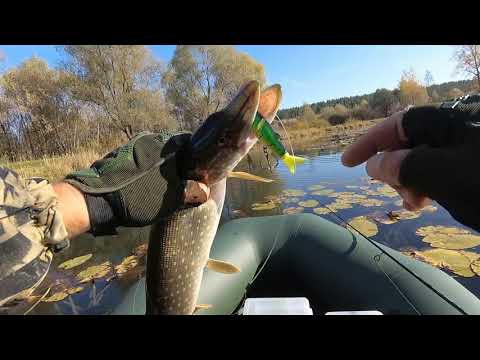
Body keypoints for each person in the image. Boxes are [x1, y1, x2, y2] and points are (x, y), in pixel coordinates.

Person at [0, 93, 479, 308]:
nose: (245, 132)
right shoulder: (198, 183)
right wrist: (84, 202)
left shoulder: (205, 178)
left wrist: (77, 203)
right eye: (236, 136)